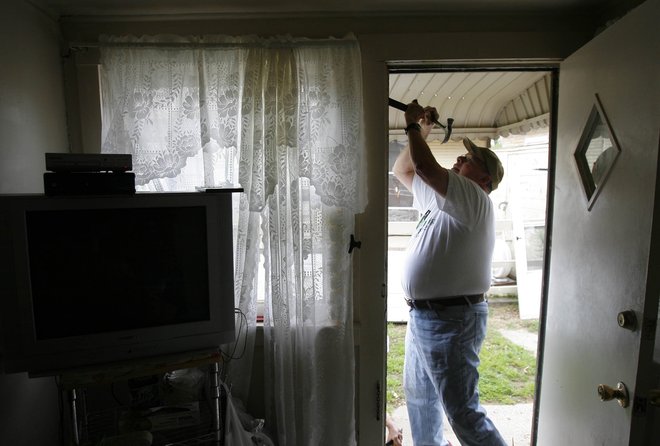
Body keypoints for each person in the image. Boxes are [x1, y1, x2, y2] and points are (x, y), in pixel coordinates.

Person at [392, 100, 507, 446]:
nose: (458, 159)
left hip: (452, 320)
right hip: (426, 316)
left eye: (467, 159)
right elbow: (406, 171)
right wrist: (422, 131)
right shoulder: (444, 200)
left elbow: (425, 166)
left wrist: (413, 127)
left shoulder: (474, 198)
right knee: (421, 401)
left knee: (463, 413)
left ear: (484, 179)